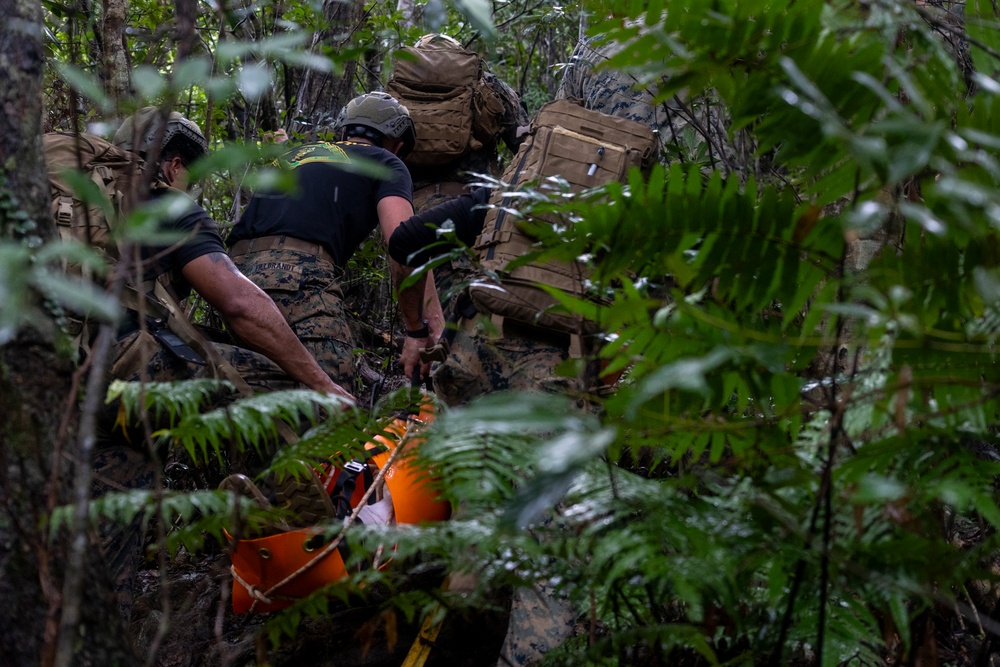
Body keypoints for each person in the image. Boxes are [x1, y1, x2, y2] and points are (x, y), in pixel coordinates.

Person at [91, 106, 356, 624]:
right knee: (284, 395)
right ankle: (307, 556)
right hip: (125, 375)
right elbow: (237, 305)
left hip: (46, 385)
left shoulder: (69, 199)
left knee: (102, 530)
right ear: (171, 165)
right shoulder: (161, 204)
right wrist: (322, 385)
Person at [226, 92, 444, 391]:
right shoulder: (386, 162)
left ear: (343, 130)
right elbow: (403, 243)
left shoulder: (295, 155)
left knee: (255, 387)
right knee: (333, 401)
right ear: (399, 145)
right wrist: (417, 329)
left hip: (232, 277)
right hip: (297, 277)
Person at [388, 33, 531, 214]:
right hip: (474, 208)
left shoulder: (396, 90)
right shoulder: (488, 85)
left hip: (408, 211)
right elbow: (526, 146)